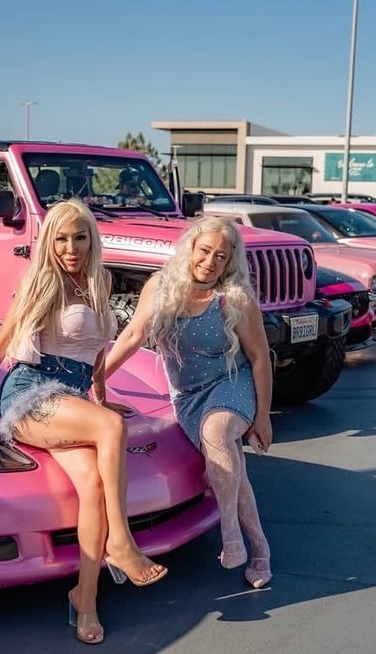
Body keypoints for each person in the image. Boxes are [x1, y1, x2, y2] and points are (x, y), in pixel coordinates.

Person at [0, 199, 167, 645]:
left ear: (92, 239)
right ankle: (121, 542)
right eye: (60, 238)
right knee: (112, 430)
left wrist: (99, 396)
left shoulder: (100, 279)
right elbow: (2, 343)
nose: (70, 247)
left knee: (94, 487)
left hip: (72, 397)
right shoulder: (44, 281)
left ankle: (85, 599)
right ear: (49, 241)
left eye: (79, 237)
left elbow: (97, 348)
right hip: (31, 394)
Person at [104, 215, 273, 589]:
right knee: (232, 469)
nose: (210, 262)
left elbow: (260, 358)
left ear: (230, 262)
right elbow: (133, 335)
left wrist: (263, 417)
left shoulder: (235, 299)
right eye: (205, 251)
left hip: (233, 383)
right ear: (190, 249)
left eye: (221, 257)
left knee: (217, 432)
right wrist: (96, 380)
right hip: (189, 397)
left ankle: (231, 538)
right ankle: (260, 551)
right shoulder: (160, 287)